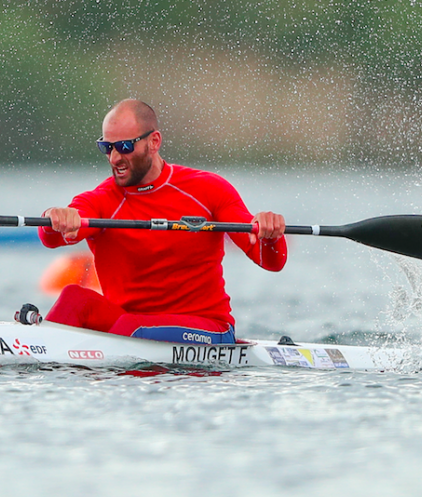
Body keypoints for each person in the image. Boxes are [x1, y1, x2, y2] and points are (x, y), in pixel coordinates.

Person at [38, 99, 287, 344]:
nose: (114, 158)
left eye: (124, 146)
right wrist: (54, 218)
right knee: (74, 298)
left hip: (208, 329)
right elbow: (52, 237)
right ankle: (38, 360)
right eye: (107, 147)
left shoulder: (209, 190)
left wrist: (270, 232)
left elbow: (270, 262)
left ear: (154, 142)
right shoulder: (101, 200)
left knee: (131, 327)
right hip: (130, 326)